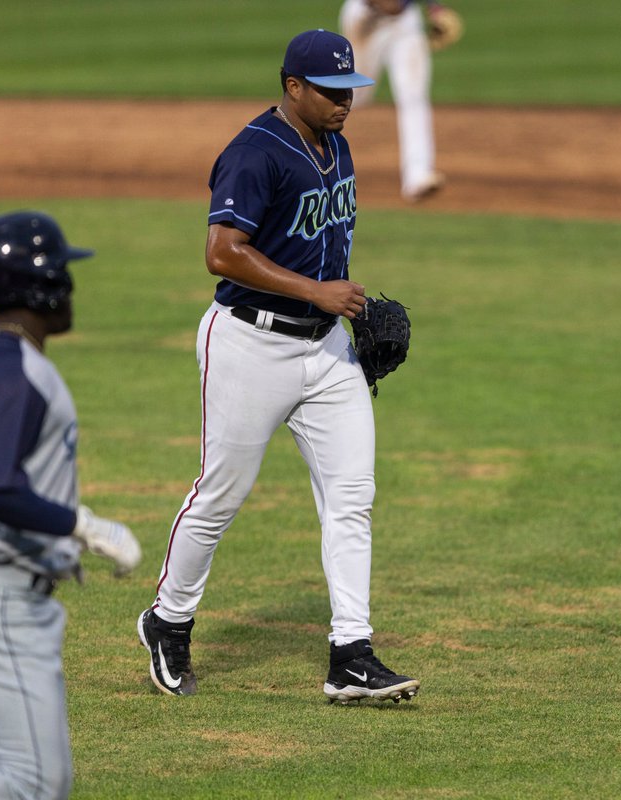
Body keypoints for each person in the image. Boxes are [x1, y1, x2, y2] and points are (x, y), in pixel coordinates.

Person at [137, 28, 420, 705]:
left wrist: (341, 303)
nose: (343, 103)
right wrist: (314, 289)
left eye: (350, 91)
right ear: (293, 87)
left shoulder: (339, 145)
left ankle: (350, 654)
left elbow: (321, 238)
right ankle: (168, 621)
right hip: (248, 347)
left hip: (326, 352)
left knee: (352, 500)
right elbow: (222, 252)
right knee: (220, 497)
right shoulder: (253, 154)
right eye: (329, 92)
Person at [0, 210, 142, 800]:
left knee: (36, 783)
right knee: (31, 785)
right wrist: (81, 525)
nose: (70, 286)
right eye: (61, 270)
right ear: (37, 282)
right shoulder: (13, 371)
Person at [339, 0, 448, 202]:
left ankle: (418, 175)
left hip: (405, 23)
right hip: (366, 19)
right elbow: (389, 5)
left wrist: (435, 8)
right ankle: (299, 151)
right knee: (350, 95)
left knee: (413, 95)